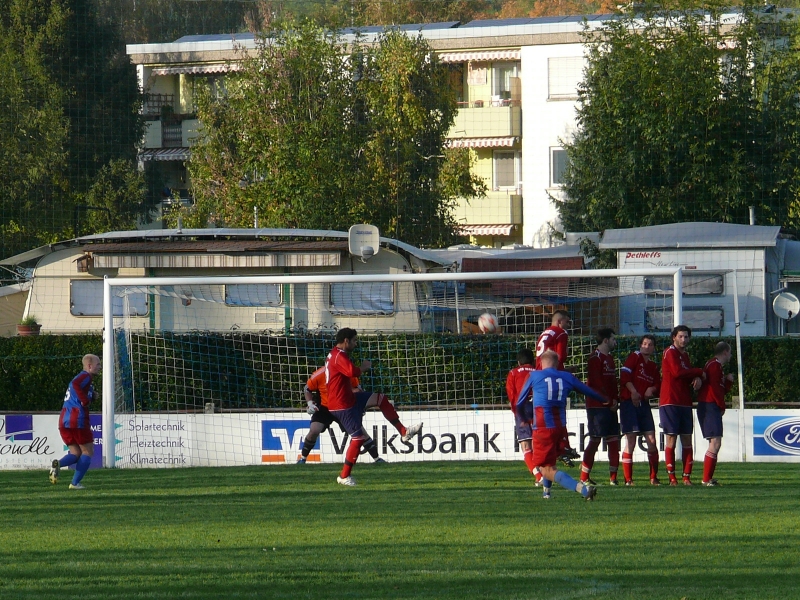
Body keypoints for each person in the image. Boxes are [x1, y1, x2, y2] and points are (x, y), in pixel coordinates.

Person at [516, 350, 613, 501]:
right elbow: (587, 390)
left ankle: (583, 489)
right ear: (557, 364)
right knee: (551, 460)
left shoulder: (534, 376)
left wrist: (522, 417)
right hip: (560, 427)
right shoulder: (567, 376)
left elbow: (519, 402)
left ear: (540, 363)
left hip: (542, 427)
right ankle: (546, 493)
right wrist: (604, 399)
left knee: (545, 468)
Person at [297, 366, 422, 464]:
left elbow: (357, 389)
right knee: (314, 430)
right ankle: (303, 459)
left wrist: (356, 396)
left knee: (359, 433)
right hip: (325, 407)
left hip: (344, 407)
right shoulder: (320, 374)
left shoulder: (347, 373)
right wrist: (309, 403)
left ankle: (377, 459)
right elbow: (307, 389)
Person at [659, 325, 705, 486]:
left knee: (687, 439)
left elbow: (686, 374)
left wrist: (696, 378)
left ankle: (686, 477)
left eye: (686, 337)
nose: (683, 339)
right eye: (680, 336)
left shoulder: (685, 356)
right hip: (670, 400)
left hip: (685, 402)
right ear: (674, 337)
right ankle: (672, 478)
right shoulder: (670, 352)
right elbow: (678, 373)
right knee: (671, 438)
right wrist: (698, 372)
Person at [326, 328, 371, 486]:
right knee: (358, 438)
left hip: (342, 401)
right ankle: (344, 476)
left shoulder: (334, 354)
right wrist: (365, 367)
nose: (355, 343)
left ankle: (403, 431)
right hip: (340, 404)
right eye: (354, 340)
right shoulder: (339, 355)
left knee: (379, 398)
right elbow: (352, 371)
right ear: (346, 341)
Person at [535, 310, 580, 466]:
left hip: (540, 379)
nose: (568, 325)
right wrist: (565, 374)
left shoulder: (544, 333)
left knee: (547, 415)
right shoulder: (561, 332)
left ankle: (559, 449)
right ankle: (562, 448)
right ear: (560, 322)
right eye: (567, 321)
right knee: (559, 412)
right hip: (552, 380)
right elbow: (560, 357)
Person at [49, 354, 101, 490]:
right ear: (89, 366)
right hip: (77, 419)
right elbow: (75, 384)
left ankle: (58, 464)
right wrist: (85, 400)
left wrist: (92, 396)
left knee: (75, 452)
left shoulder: (87, 382)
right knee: (88, 451)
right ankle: (75, 483)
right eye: (98, 364)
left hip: (64, 419)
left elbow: (77, 391)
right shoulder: (85, 376)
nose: (100, 367)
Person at [581, 328, 622, 486]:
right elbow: (596, 383)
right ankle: (584, 478)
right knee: (595, 440)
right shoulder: (595, 358)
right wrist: (609, 401)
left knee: (613, 440)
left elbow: (612, 384)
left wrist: (615, 400)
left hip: (611, 405)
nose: (614, 341)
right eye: (613, 339)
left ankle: (613, 478)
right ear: (606, 340)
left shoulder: (609, 358)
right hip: (597, 406)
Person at [619, 334, 662, 485]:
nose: (647, 347)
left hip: (644, 404)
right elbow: (624, 375)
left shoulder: (652, 366)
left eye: (650, 344)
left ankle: (653, 477)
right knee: (631, 439)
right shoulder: (634, 357)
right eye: (644, 344)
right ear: (640, 346)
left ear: (653, 348)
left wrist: (652, 388)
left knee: (652, 439)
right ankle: (628, 479)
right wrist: (633, 392)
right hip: (629, 403)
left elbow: (658, 384)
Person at [697, 341, 734, 487]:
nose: (730, 355)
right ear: (725, 352)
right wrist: (721, 405)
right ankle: (706, 479)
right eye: (730, 352)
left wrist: (728, 382)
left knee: (714, 442)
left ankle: (708, 478)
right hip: (709, 405)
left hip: (709, 405)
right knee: (715, 442)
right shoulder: (715, 365)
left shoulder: (713, 365)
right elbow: (715, 389)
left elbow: (720, 387)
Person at [506, 348, 542, 486]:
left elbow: (511, 394)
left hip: (522, 408)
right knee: (538, 444)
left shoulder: (513, 373)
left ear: (518, 362)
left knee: (526, 445)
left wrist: (517, 412)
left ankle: (539, 476)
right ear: (532, 361)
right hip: (538, 407)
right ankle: (543, 473)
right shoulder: (538, 372)